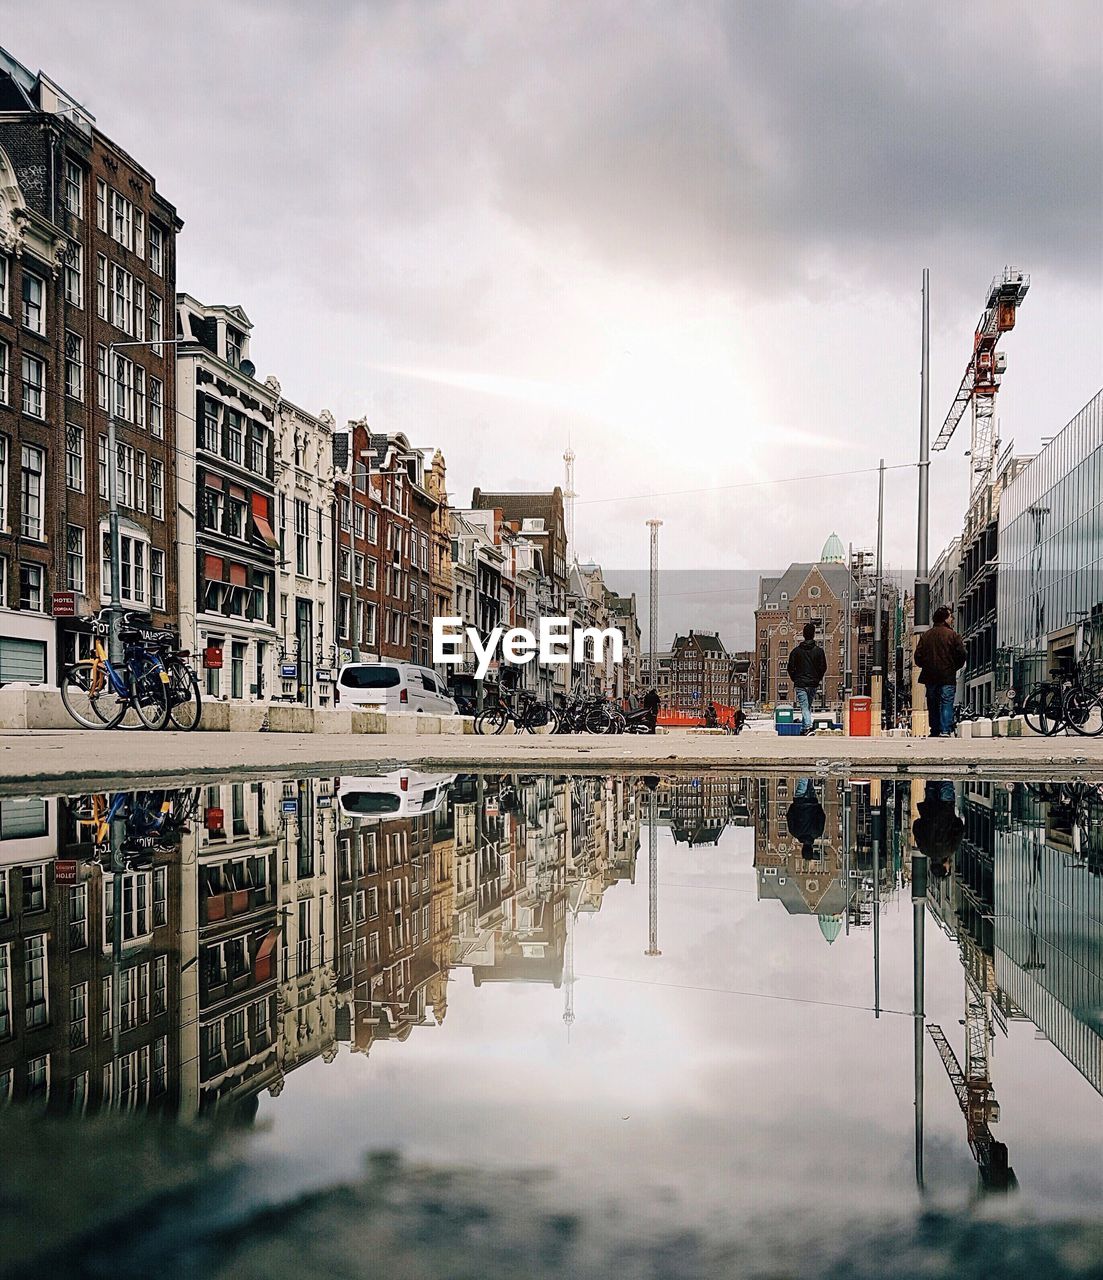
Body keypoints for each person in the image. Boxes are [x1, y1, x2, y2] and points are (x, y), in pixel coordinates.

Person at [914, 606, 966, 738]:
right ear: (945, 619)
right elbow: (962, 654)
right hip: (947, 675)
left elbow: (918, 656)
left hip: (930, 675)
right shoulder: (953, 635)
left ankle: (935, 729)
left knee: (933, 703)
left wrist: (926, 665)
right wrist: (955, 666)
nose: (952, 619)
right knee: (946, 702)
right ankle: (945, 729)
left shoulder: (926, 635)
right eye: (950, 616)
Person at [912, 780, 963, 879]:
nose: (950, 866)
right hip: (929, 809)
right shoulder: (924, 850)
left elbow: (959, 830)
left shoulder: (950, 850)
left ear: (944, 867)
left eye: (949, 868)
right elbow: (916, 827)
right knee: (932, 779)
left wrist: (954, 820)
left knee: (946, 779)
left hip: (946, 808)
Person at [786, 622, 827, 735]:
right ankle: (804, 728)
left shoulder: (796, 651)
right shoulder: (819, 651)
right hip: (813, 683)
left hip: (800, 683)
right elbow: (823, 667)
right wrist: (817, 678)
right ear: (813, 635)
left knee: (804, 706)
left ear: (803, 635)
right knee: (807, 706)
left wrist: (795, 679)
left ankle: (807, 727)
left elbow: (790, 667)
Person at [787, 778, 826, 858]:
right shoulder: (794, 832)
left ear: (811, 849)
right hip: (799, 801)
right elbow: (789, 816)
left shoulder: (818, 833)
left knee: (809, 779)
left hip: (812, 802)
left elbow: (822, 816)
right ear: (802, 849)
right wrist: (794, 806)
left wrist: (817, 806)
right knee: (804, 778)